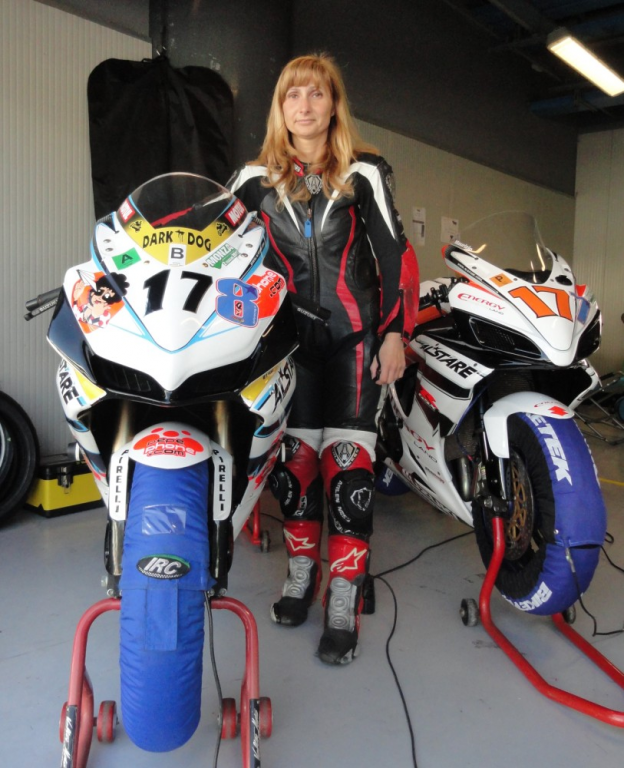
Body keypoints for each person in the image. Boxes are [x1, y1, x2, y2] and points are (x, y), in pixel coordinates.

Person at [228, 53, 419, 665]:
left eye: (317, 93)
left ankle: (344, 592)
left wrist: (394, 333)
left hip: (356, 339)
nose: (305, 105)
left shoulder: (365, 171)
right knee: (295, 467)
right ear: (280, 107)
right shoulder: (251, 179)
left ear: (334, 105)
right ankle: (301, 574)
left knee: (349, 467)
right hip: (287, 345)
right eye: (293, 95)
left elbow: (393, 255)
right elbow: (219, 254)